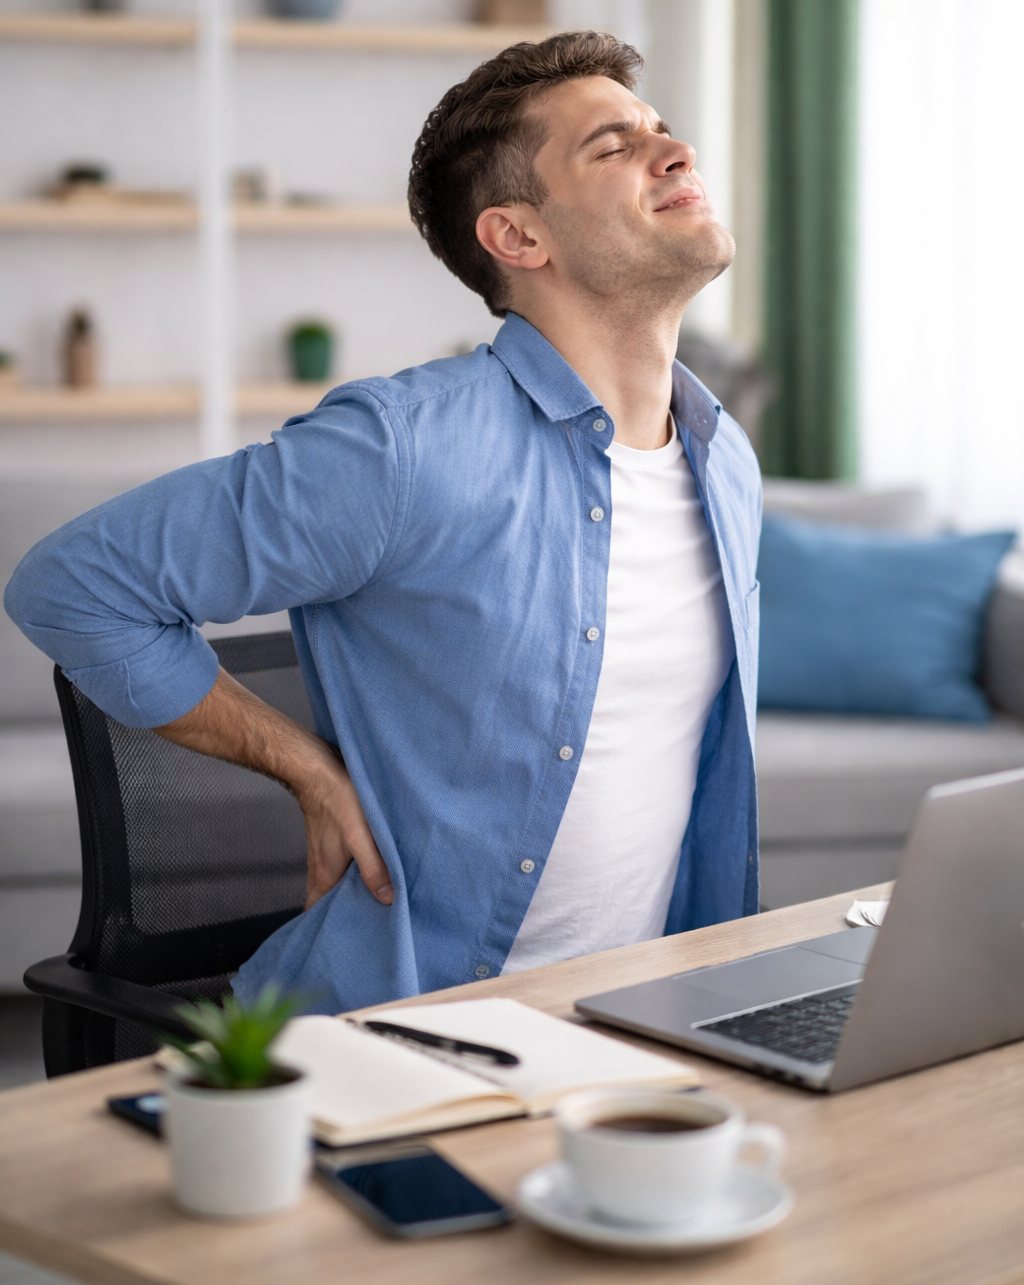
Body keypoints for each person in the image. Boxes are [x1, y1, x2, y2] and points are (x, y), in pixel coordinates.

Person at [5, 31, 761, 1014]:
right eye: (612, 147)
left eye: (661, 132)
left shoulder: (722, 458)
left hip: (638, 1023)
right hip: (415, 1032)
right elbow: (70, 586)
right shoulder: (403, 449)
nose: (675, 152)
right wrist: (304, 764)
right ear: (517, 237)